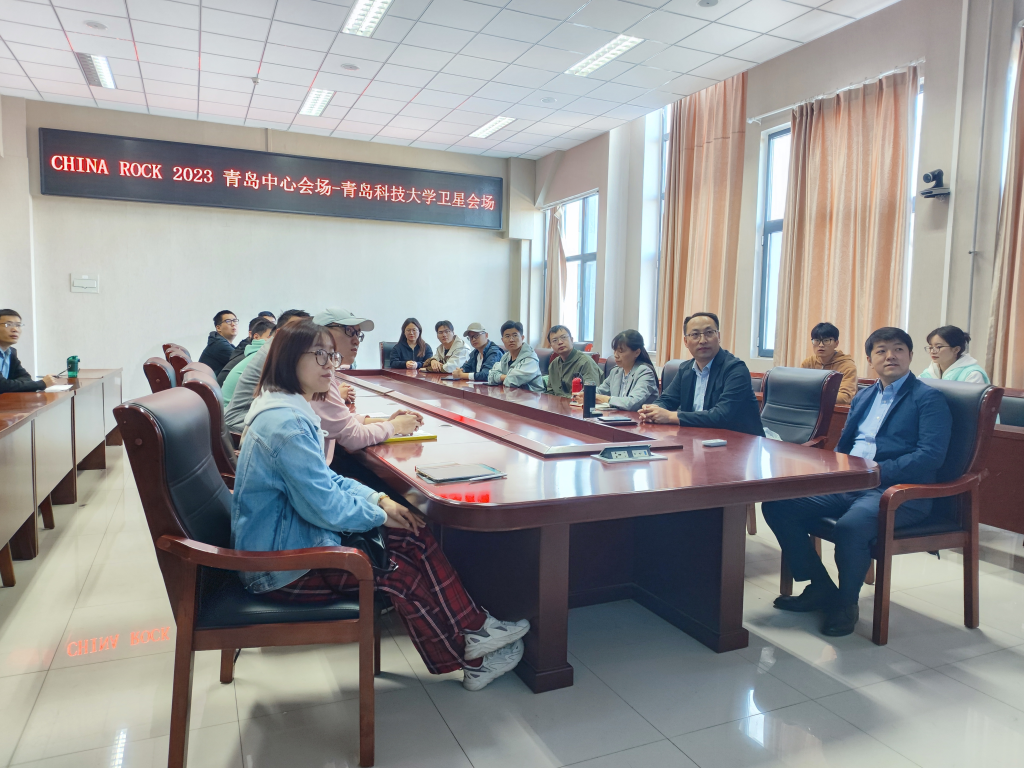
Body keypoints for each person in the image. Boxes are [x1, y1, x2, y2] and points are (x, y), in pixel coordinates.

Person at [231, 320, 529, 690]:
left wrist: (381, 500)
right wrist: (379, 514)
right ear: (289, 359)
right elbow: (325, 506)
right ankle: (472, 660)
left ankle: (476, 628)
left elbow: (326, 480)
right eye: (319, 355)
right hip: (280, 567)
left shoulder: (290, 407)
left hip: (298, 538)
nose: (331, 365)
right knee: (398, 574)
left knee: (413, 532)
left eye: (332, 356)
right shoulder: (286, 423)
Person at [763, 327, 953, 637]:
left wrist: (873, 472)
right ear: (869, 359)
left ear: (910, 355)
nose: (890, 356)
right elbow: (845, 445)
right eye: (881, 351)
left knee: (850, 527)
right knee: (778, 505)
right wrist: (836, 473)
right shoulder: (864, 395)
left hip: (898, 492)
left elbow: (930, 456)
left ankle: (846, 603)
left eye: (898, 349)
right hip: (850, 484)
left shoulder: (928, 399)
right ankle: (820, 586)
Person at [310, 309, 423, 468]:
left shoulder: (324, 372)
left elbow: (340, 421)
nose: (356, 341)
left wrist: (388, 421)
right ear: (322, 332)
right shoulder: (315, 376)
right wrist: (396, 426)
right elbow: (353, 436)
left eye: (358, 334)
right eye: (349, 332)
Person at [638, 312, 764, 436]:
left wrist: (671, 416)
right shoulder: (685, 369)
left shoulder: (735, 369)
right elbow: (667, 400)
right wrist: (651, 410)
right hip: (697, 438)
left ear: (718, 336)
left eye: (709, 333)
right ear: (686, 341)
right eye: (695, 334)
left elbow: (721, 415)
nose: (703, 340)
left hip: (739, 442)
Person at [224, 310, 311, 433]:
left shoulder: (275, 348)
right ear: (280, 333)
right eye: (296, 330)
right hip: (238, 421)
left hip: (243, 415)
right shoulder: (276, 353)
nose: (303, 335)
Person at [574, 329, 659, 411]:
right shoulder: (616, 372)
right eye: (615, 350)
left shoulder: (645, 372)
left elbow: (631, 403)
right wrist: (585, 393)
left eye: (621, 351)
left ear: (637, 352)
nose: (616, 355)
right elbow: (600, 391)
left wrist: (602, 398)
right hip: (617, 417)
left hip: (639, 419)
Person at [799, 322, 859, 405]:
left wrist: (813, 396)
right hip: (809, 407)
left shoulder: (847, 366)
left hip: (834, 409)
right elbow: (800, 389)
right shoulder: (808, 363)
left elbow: (845, 397)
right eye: (816, 340)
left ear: (836, 343)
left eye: (826, 340)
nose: (821, 345)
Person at [0, 309, 56, 393]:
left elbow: (26, 378)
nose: (15, 329)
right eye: (8, 325)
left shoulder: (11, 352)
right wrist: (42, 384)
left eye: (18, 325)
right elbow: (2, 385)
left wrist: (10, 384)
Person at [221, 318, 274, 404]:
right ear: (256, 337)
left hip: (226, 407)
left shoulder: (252, 352)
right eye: (269, 338)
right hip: (234, 410)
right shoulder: (264, 355)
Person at [545, 325, 603, 398]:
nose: (560, 342)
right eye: (555, 340)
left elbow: (590, 394)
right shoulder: (553, 365)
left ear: (571, 340)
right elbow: (550, 392)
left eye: (563, 337)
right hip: (557, 404)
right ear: (551, 346)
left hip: (579, 403)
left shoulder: (586, 362)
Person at [920, 325, 990, 383]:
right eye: (931, 347)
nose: (932, 351)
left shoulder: (972, 374)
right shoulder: (928, 374)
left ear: (956, 349)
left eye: (938, 347)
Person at [488, 321, 543, 391]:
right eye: (507, 336)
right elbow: (491, 377)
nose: (511, 340)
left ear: (522, 338)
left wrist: (501, 377)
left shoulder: (530, 358)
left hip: (533, 395)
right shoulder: (506, 356)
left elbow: (512, 381)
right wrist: (506, 377)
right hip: (512, 394)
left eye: (515, 335)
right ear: (502, 340)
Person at [199, 310, 239, 376]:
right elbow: (243, 361)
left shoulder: (220, 342)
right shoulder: (218, 344)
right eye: (228, 321)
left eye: (235, 321)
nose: (233, 324)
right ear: (218, 328)